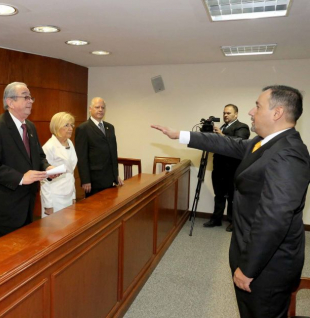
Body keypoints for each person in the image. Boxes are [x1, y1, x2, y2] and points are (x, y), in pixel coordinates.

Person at [152, 85, 310, 318]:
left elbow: (274, 220)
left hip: (268, 266)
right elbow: (230, 144)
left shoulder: (289, 153)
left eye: (257, 106)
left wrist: (248, 268)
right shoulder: (267, 142)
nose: (250, 111)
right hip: (252, 252)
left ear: (277, 113)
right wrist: (181, 135)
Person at [0, 82, 56, 242]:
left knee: (23, 255)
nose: (31, 101)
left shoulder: (31, 127)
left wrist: (48, 168)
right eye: (25, 97)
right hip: (2, 208)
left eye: (31, 97)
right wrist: (20, 178)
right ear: (10, 102)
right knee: (2, 259)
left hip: (26, 205)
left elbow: (39, 156)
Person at [204, 104, 250, 232]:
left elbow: (239, 143)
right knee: (218, 195)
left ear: (236, 114)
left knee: (232, 197)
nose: (225, 115)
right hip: (219, 167)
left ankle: (232, 221)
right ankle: (216, 219)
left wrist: (222, 135)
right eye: (224, 113)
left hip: (233, 169)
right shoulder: (223, 126)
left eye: (228, 113)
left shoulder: (242, 127)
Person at [75, 97, 123, 198]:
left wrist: (116, 175)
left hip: (109, 179)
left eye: (103, 107)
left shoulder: (110, 127)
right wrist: (85, 180)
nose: (100, 110)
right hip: (93, 181)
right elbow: (82, 157)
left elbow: (113, 153)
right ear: (90, 109)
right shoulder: (83, 128)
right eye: (97, 107)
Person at [40, 112, 78, 217]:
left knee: (69, 229)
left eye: (71, 125)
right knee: (54, 231)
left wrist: (73, 195)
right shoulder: (49, 147)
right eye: (66, 125)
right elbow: (44, 179)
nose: (70, 128)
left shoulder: (70, 143)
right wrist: (48, 205)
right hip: (55, 197)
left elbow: (71, 172)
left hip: (69, 194)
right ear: (57, 126)